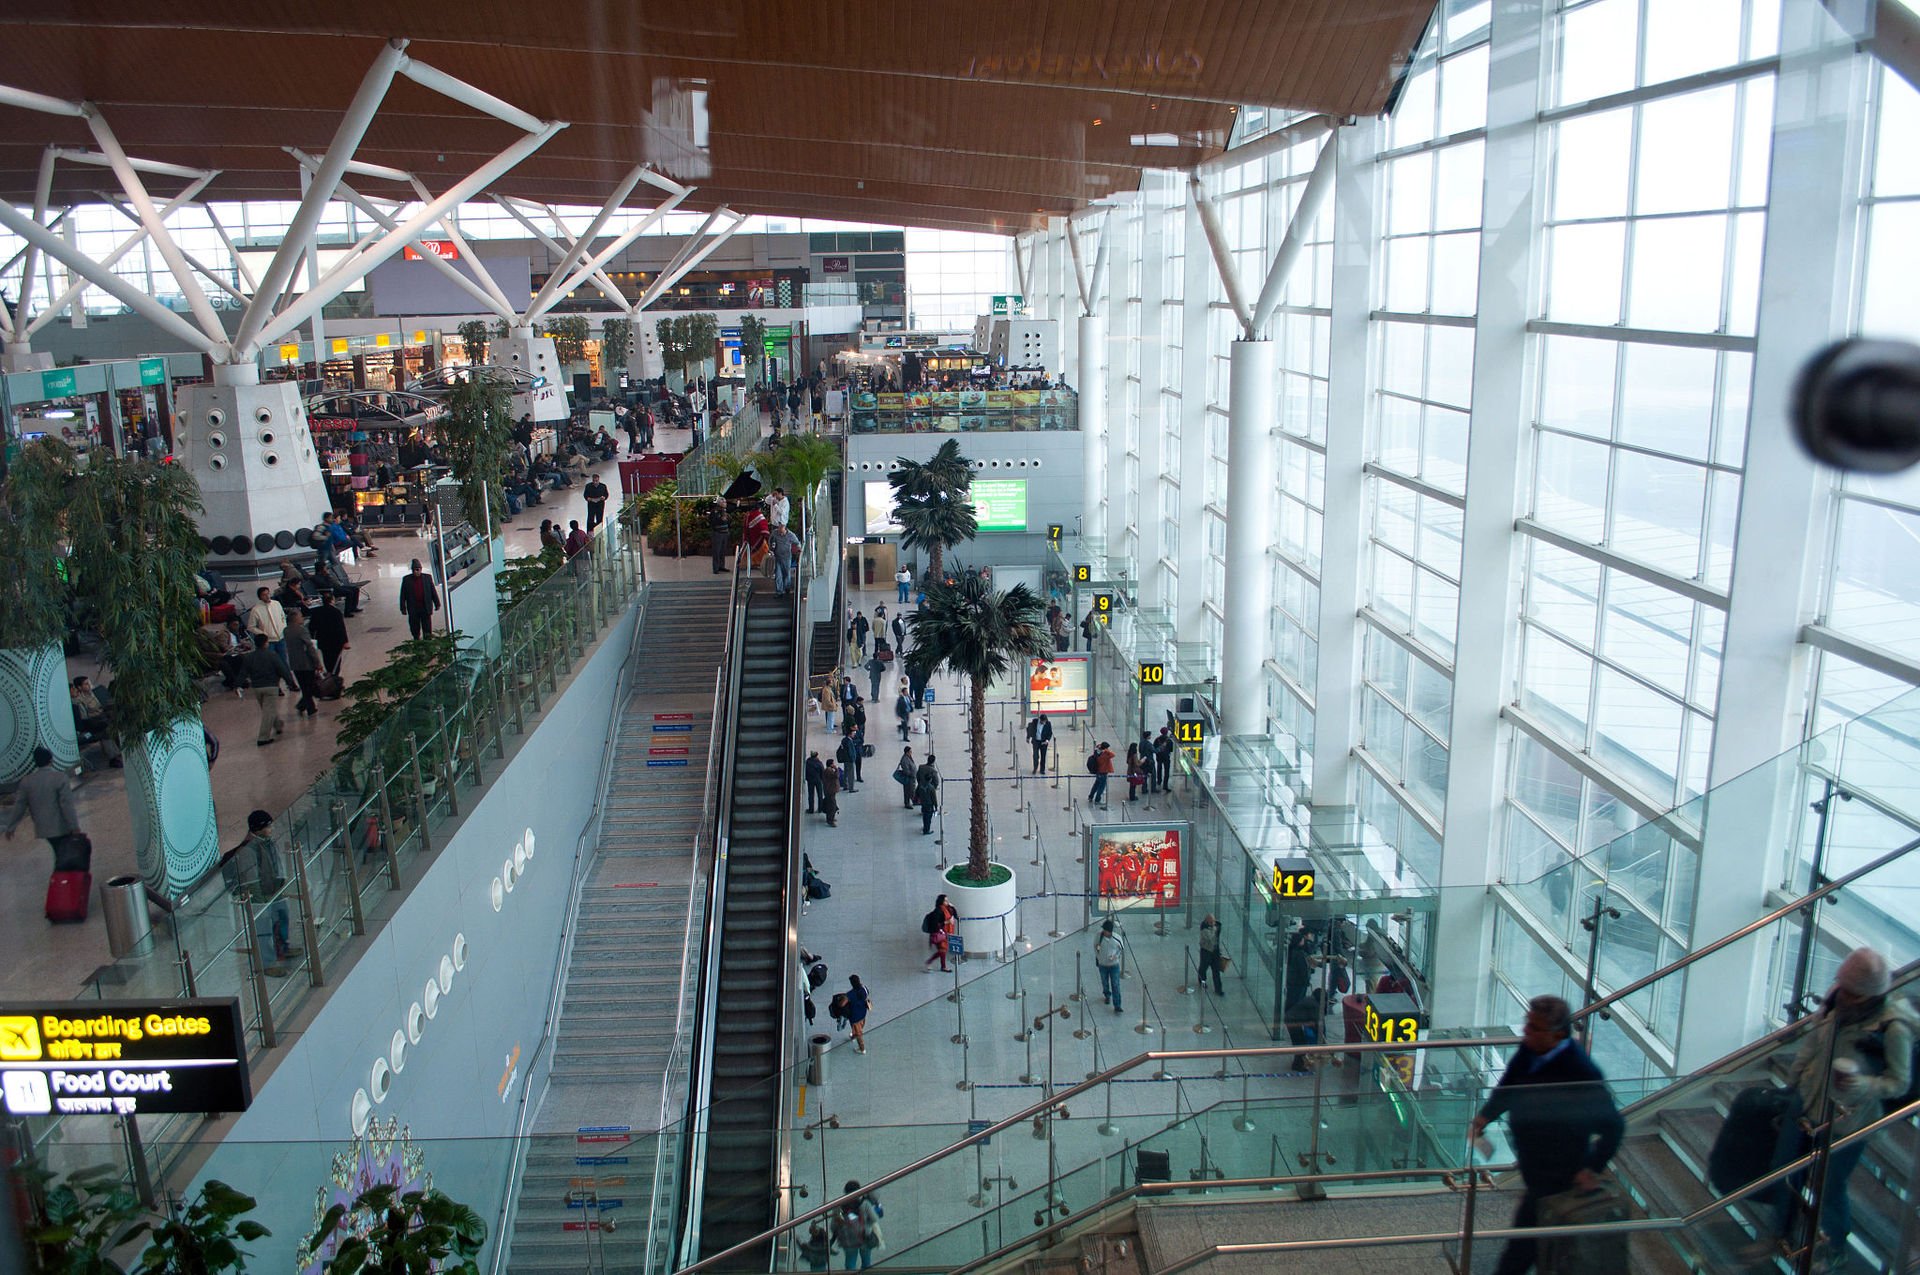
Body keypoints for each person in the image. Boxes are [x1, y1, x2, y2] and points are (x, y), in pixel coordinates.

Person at [1761, 947, 1914, 1267]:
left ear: (1864, 996)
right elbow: (1815, 1042)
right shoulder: (1837, 1001)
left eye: (1848, 990)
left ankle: (1834, 1248)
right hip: (1808, 1099)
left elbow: (1899, 1083)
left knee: (1828, 1186)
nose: (1840, 993)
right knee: (1785, 1167)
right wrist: (1795, 1079)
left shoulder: (1894, 1029)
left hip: (1850, 1119)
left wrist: (1866, 1086)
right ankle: (1778, 1233)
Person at [1469, 995, 1625, 1275]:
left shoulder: (1580, 1073)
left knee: (1522, 1248)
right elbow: (1510, 1085)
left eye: (1534, 1028)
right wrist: (1486, 1115)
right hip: (1535, 1165)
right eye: (1527, 1024)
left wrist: (1591, 1167)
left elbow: (1614, 1126)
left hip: (1561, 1174)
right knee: (1541, 1248)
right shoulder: (1532, 1050)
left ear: (1558, 1034)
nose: (1526, 1032)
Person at [228, 809, 299, 977]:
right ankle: (266, 964)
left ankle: (282, 948)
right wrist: (260, 903)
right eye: (268, 826)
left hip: (273, 890)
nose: (272, 828)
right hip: (261, 897)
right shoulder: (248, 850)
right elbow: (251, 880)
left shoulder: (266, 842)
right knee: (264, 930)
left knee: (282, 917)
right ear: (258, 828)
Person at [3, 747, 81, 860]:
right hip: (62, 827)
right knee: (66, 858)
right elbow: (66, 805)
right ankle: (63, 876)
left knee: (61, 855)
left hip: (43, 828)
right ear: (51, 760)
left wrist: (11, 827)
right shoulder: (60, 778)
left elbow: (19, 806)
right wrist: (74, 826)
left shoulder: (27, 782)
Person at [240, 637, 298, 746]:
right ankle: (263, 737)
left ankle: (278, 725)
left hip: (257, 687)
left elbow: (243, 672)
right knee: (268, 711)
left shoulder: (249, 657)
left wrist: (237, 685)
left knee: (268, 709)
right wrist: (291, 683)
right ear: (266, 643)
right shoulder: (272, 655)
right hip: (271, 686)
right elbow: (282, 669)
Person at [68, 676, 122, 766]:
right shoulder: (79, 701)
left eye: (88, 683)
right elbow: (85, 718)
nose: (89, 685)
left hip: (102, 718)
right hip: (93, 723)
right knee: (106, 731)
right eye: (86, 684)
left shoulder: (94, 693)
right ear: (79, 687)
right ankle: (114, 757)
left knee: (112, 724)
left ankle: (117, 753)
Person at [828, 1185, 882, 1268]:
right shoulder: (865, 1204)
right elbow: (874, 1219)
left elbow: (833, 1226)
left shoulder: (838, 1206)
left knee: (850, 1263)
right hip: (865, 1236)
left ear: (845, 1192)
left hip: (847, 1239)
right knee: (866, 1262)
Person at [284, 609, 324, 717]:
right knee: (310, 686)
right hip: (306, 662)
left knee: (304, 686)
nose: (302, 618)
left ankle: (309, 707)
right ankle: (303, 706)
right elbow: (310, 647)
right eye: (301, 616)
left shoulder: (286, 631)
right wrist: (317, 662)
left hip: (294, 662)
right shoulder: (301, 630)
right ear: (296, 618)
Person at [309, 592, 349, 678]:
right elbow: (341, 628)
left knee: (327, 658)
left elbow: (312, 627)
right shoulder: (336, 612)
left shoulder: (316, 612)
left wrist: (313, 639)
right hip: (335, 641)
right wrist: (345, 641)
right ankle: (334, 676)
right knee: (336, 661)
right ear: (332, 600)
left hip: (323, 641)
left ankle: (329, 673)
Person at [398, 560, 440, 640]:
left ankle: (427, 643)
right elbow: (403, 595)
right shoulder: (407, 580)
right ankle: (416, 639)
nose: (416, 572)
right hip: (414, 609)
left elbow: (432, 591)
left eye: (418, 569)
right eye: (414, 570)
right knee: (414, 627)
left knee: (427, 628)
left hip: (425, 608)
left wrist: (437, 603)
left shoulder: (427, 578)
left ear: (421, 569)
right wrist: (403, 608)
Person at [248, 585, 289, 662]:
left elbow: (283, 617)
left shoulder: (276, 604)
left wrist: (284, 628)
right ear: (260, 597)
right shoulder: (256, 610)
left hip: (281, 638)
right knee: (271, 661)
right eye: (264, 595)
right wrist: (263, 633)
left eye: (268, 593)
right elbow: (251, 627)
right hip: (269, 641)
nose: (267, 596)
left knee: (284, 660)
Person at [922, 893, 958, 972]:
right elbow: (935, 923)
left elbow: (955, 915)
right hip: (940, 933)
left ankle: (942, 966)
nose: (947, 902)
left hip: (946, 933)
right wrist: (947, 922)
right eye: (945, 900)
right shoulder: (938, 911)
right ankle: (931, 962)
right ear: (941, 901)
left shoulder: (948, 908)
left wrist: (953, 907)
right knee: (943, 950)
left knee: (943, 951)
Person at [1095, 919, 1124, 1013]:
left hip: (1114, 965)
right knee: (1104, 981)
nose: (1104, 931)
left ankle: (1117, 1005)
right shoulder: (1099, 937)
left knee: (1115, 984)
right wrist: (1099, 957)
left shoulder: (1116, 939)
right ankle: (1107, 994)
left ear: (1110, 931)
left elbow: (1121, 949)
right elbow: (1095, 947)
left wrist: (1115, 956)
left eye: (1105, 930)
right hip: (1102, 964)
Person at [1197, 914, 1226, 996]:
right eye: (1211, 922)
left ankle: (1218, 989)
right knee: (1203, 968)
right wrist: (1214, 928)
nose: (1213, 923)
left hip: (1215, 952)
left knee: (1216, 971)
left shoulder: (1216, 927)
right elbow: (1210, 937)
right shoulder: (1204, 929)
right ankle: (1202, 981)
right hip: (1206, 951)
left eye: (1213, 921)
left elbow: (1217, 937)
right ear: (1207, 922)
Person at [844, 974, 871, 1054]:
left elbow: (842, 1003)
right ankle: (853, 1036)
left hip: (855, 1016)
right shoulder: (864, 988)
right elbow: (867, 994)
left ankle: (862, 1049)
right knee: (859, 1026)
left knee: (858, 1032)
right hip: (863, 1012)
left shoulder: (850, 994)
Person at [772, 523, 801, 596]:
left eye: (781, 530)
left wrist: (799, 550)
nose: (780, 532)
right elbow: (771, 541)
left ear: (784, 528)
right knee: (778, 574)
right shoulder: (775, 533)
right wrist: (771, 549)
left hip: (787, 557)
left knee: (786, 573)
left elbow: (797, 543)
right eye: (779, 529)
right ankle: (779, 591)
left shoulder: (791, 535)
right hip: (777, 556)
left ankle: (787, 587)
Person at [915, 759, 939, 834]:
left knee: (925, 815)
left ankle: (925, 826)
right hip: (929, 804)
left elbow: (917, 777)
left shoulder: (921, 785)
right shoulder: (931, 788)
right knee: (928, 817)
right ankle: (926, 830)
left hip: (923, 802)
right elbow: (934, 798)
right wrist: (936, 806)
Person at [1089, 741, 1114, 808]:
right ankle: (1097, 799)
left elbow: (1098, 746)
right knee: (1101, 787)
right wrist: (1106, 750)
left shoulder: (1097, 752)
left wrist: (1101, 747)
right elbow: (1113, 754)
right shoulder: (1104, 755)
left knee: (1096, 785)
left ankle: (1091, 796)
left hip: (1098, 771)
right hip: (1103, 772)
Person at [837, 725, 862, 790]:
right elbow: (851, 751)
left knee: (846, 772)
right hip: (849, 760)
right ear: (850, 734)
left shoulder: (844, 740)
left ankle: (845, 785)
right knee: (851, 774)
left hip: (845, 759)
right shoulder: (849, 742)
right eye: (853, 733)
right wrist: (853, 758)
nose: (854, 734)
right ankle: (851, 788)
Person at [820, 757, 841, 828]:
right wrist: (836, 769)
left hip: (830, 790)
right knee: (832, 805)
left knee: (831, 804)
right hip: (830, 790)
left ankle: (830, 818)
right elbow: (836, 776)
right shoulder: (829, 771)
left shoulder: (827, 770)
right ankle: (830, 820)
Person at [804, 750, 826, 815]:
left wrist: (807, 778)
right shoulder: (819, 763)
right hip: (818, 780)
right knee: (820, 794)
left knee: (811, 795)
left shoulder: (808, 762)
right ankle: (820, 808)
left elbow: (806, 771)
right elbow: (822, 771)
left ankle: (811, 809)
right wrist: (822, 779)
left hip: (810, 780)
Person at [1153, 726, 1174, 792]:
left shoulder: (1157, 739)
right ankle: (1165, 785)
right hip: (1166, 757)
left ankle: (1159, 781)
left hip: (1159, 756)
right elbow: (1171, 750)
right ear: (1167, 732)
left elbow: (1154, 747)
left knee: (1159, 768)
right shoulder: (1169, 741)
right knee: (1166, 771)